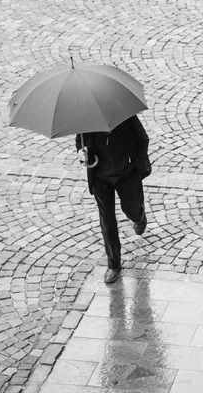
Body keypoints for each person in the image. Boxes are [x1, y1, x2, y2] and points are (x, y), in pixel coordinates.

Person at [76, 115, 152, 284]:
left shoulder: (124, 115)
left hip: (126, 173)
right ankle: (114, 264)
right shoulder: (85, 118)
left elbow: (143, 138)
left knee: (131, 209)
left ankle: (138, 216)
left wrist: (140, 161)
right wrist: (81, 152)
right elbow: (79, 142)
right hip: (100, 177)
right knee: (107, 221)